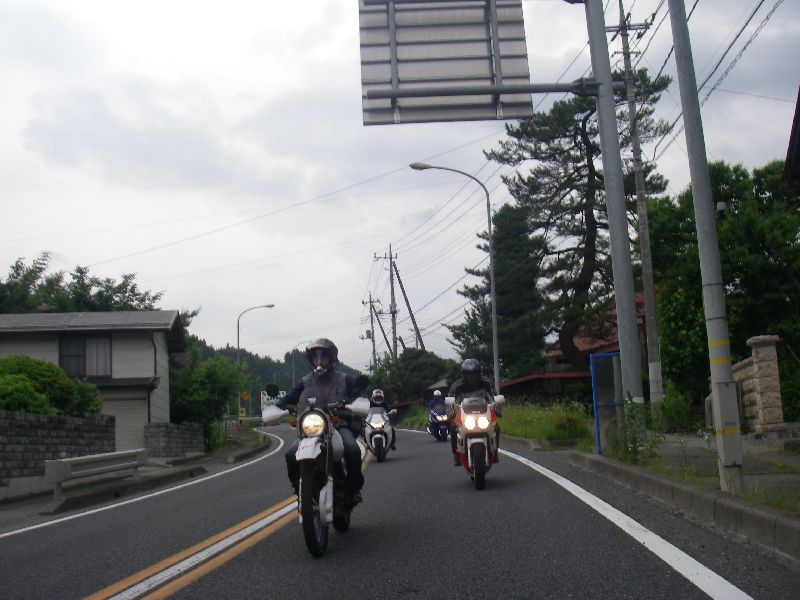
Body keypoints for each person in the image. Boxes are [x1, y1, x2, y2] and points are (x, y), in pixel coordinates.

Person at [276, 338, 365, 505]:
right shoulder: (305, 381)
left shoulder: (343, 379)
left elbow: (359, 395)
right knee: (291, 454)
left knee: (352, 449)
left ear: (331, 358)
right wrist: (277, 408)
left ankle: (354, 489)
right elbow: (288, 398)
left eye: (322, 357)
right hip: (313, 427)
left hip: (339, 424)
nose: (318, 361)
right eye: (315, 357)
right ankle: (299, 489)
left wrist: (360, 402)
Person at [447, 358, 500, 466]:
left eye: (474, 373)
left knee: (496, 427)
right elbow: (450, 399)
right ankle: (456, 454)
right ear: (464, 374)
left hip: (483, 412)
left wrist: (497, 406)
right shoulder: (457, 385)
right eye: (468, 374)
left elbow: (495, 396)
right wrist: (451, 411)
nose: (471, 376)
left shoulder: (487, 382)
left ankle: (495, 452)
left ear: (479, 373)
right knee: (453, 428)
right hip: (463, 413)